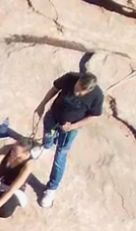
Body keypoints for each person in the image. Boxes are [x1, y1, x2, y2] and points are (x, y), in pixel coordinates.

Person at [32, 70, 105, 208]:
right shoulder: (70, 78)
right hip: (53, 117)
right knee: (48, 134)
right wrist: (42, 104)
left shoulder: (97, 96)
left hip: (69, 129)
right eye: (77, 87)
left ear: (89, 90)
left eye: (81, 92)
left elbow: (93, 116)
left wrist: (73, 126)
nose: (76, 93)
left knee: (60, 155)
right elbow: (54, 89)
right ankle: (46, 147)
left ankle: (51, 189)